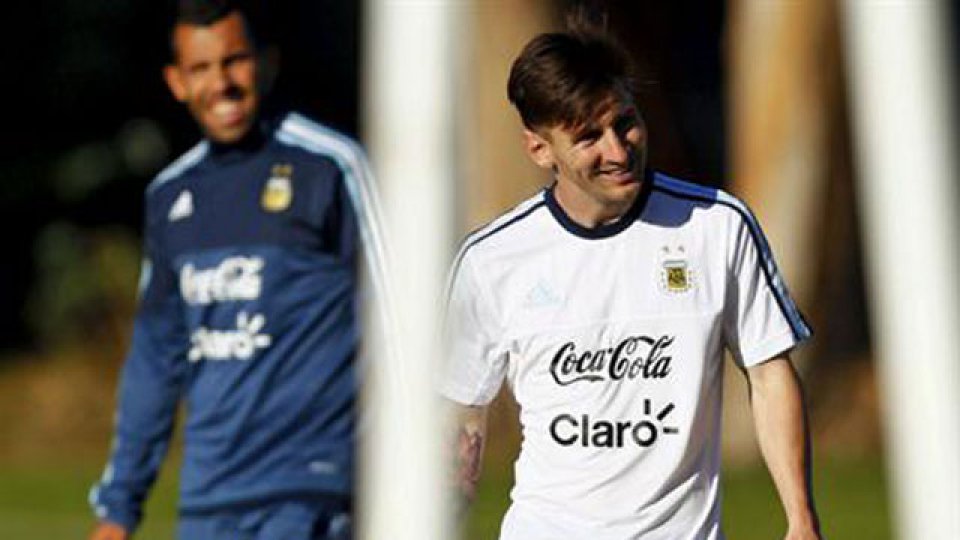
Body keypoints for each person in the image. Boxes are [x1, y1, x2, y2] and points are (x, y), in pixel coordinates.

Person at [442, 21, 822, 540]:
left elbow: (769, 373)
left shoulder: (717, 227)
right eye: (588, 137)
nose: (618, 151)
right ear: (539, 149)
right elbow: (461, 413)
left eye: (625, 124)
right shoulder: (492, 259)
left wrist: (801, 518)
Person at [89, 1, 382, 538]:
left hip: (309, 490)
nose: (221, 83)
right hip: (209, 497)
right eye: (200, 68)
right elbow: (154, 361)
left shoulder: (330, 166)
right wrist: (118, 506)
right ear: (177, 82)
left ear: (266, 63)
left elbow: (398, 312)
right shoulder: (169, 196)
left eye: (234, 61)